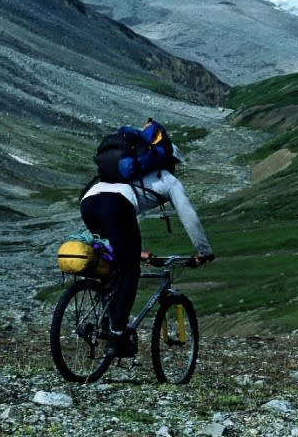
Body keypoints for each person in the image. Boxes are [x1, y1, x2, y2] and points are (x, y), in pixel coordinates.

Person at [79, 123, 215, 356]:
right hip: (116, 205)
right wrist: (204, 250)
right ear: (170, 161)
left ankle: (104, 323)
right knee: (130, 270)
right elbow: (188, 216)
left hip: (88, 201)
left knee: (114, 268)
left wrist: (138, 250)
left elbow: (128, 219)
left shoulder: (127, 173)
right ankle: (118, 333)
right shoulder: (167, 179)